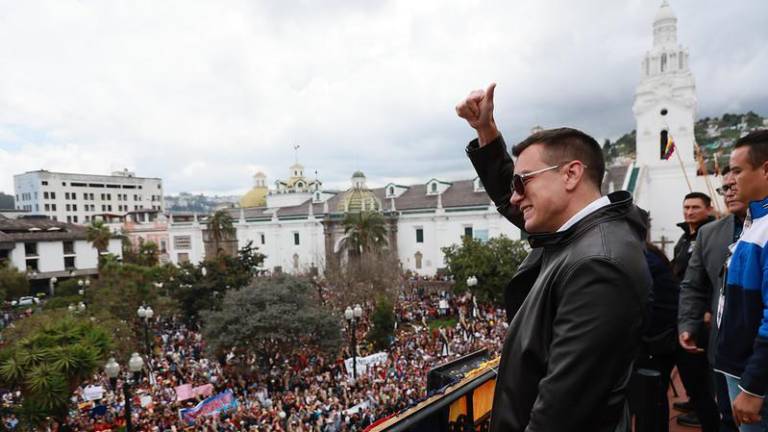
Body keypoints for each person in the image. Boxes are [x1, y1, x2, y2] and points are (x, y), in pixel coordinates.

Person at [457, 83, 650, 431]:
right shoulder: (585, 233)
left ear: (571, 174)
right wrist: (486, 131)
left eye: (523, 182)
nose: (515, 198)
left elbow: (561, 413)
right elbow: (520, 200)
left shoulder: (598, 265)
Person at [679, 170, 745, 432]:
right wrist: (688, 323)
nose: (729, 192)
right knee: (727, 419)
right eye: (724, 188)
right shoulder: (710, 234)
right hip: (723, 351)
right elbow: (693, 285)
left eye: (734, 185)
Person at [716, 129, 768, 431]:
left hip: (753, 377)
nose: (730, 180)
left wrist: (753, 386)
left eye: (737, 170)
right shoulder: (755, 223)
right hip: (738, 369)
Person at [671, 192, 720, 431]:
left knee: (699, 369)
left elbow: (711, 278)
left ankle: (705, 413)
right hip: (686, 307)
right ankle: (695, 403)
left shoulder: (713, 235)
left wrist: (708, 309)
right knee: (688, 367)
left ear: (708, 209)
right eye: (686, 207)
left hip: (703, 313)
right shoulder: (685, 237)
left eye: (695, 207)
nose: (689, 212)